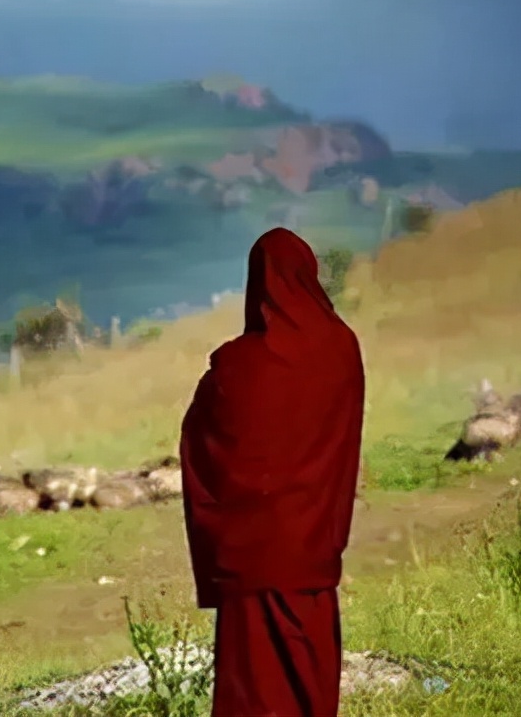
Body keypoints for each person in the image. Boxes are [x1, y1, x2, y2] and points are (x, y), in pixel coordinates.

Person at [179, 227, 366, 717]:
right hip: (312, 552)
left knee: (253, 690)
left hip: (252, 557)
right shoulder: (341, 348)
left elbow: (202, 442)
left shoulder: (234, 367)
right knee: (308, 683)